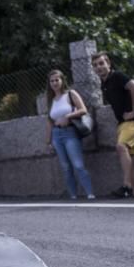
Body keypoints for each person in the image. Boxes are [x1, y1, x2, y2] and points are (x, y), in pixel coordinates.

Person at [92, 51, 134, 198]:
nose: (99, 67)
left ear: (108, 63)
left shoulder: (117, 76)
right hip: (123, 123)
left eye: (102, 63)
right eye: (95, 65)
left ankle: (126, 186)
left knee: (120, 147)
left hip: (133, 122)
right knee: (132, 160)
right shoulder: (104, 83)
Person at [45, 69, 96, 200]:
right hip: (56, 135)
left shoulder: (70, 94)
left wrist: (68, 116)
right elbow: (50, 122)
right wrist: (48, 141)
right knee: (66, 167)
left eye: (57, 80)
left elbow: (83, 110)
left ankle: (90, 193)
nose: (54, 83)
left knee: (78, 165)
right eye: (52, 81)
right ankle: (73, 195)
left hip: (70, 133)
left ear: (62, 80)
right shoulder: (51, 100)